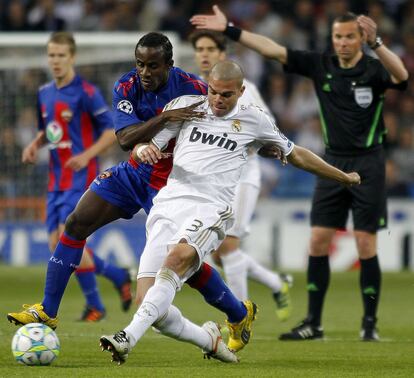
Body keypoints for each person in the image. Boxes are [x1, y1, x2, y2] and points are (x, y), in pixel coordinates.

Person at [8, 32, 257, 354]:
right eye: (140, 64)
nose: (145, 72)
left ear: (169, 64)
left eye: (153, 66)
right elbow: (125, 138)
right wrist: (165, 118)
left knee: (183, 265)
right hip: (133, 174)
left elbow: (228, 124)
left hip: (170, 185)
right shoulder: (126, 86)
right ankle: (48, 310)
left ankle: (239, 313)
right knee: (75, 223)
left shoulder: (196, 90)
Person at [99, 60, 361, 364]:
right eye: (213, 92)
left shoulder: (255, 120)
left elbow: (295, 153)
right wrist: (142, 150)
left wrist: (342, 176)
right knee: (148, 303)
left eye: (226, 95)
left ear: (241, 91)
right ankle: (208, 339)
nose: (217, 100)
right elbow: (144, 144)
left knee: (177, 259)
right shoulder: (186, 105)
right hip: (169, 204)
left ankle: (127, 337)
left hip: (211, 206)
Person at [190, 6, 409, 340]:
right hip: (332, 160)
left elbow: (401, 77)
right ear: (332, 38)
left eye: (350, 36)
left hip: (369, 163)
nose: (343, 42)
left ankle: (369, 325)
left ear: (360, 38)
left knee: (365, 243)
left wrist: (377, 43)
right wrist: (230, 29)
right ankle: (313, 323)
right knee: (318, 241)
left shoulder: (373, 69)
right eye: (338, 36)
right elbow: (272, 49)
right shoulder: (321, 66)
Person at [19, 31, 132, 322]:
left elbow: (111, 132)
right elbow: (51, 129)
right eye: (52, 55)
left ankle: (95, 304)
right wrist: (35, 143)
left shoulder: (86, 92)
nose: (55, 61)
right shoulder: (44, 92)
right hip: (56, 180)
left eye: (61, 56)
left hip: (81, 178)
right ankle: (117, 276)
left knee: (65, 239)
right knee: (56, 244)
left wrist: (87, 155)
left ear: (72, 57)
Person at [189, 29, 293, 320]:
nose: (205, 54)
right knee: (217, 254)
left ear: (223, 54)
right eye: (200, 49)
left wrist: (248, 146)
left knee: (229, 245)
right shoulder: (192, 87)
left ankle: (240, 318)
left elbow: (267, 125)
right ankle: (277, 282)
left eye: (211, 48)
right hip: (210, 181)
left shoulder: (242, 87)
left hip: (243, 176)